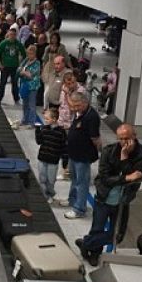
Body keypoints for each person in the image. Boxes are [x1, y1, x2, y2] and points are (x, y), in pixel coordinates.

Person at [76, 124, 142, 266]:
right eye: (121, 139)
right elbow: (105, 177)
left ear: (134, 136)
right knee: (97, 228)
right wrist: (125, 178)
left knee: (117, 236)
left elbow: (134, 177)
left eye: (127, 138)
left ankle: (86, 243)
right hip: (104, 197)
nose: (124, 142)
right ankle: (94, 252)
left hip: (123, 200)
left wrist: (124, 159)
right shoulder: (108, 151)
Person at [63, 91, 101, 220]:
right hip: (74, 153)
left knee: (82, 182)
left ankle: (79, 209)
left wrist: (99, 152)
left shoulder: (92, 117)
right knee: (74, 179)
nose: (74, 108)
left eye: (77, 105)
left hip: (83, 155)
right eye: (73, 106)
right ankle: (72, 200)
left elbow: (95, 138)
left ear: (85, 102)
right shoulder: (79, 113)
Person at [56, 70, 85, 180]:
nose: (70, 85)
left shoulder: (80, 91)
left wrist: (68, 94)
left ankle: (69, 172)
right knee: (62, 148)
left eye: (72, 82)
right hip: (62, 122)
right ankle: (65, 169)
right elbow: (61, 104)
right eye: (67, 84)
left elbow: (73, 107)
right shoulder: (64, 89)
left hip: (72, 125)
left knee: (70, 149)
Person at [35, 109, 67, 205]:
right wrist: (37, 130)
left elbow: (64, 147)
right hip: (42, 158)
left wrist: (65, 160)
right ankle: (46, 196)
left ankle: (51, 194)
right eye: (44, 118)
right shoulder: (44, 128)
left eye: (47, 118)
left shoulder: (61, 132)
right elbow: (39, 141)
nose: (45, 120)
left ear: (54, 119)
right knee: (42, 179)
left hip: (53, 160)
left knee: (51, 180)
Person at [0, 29, 26, 103]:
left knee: (14, 83)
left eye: (14, 35)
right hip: (5, 66)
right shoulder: (4, 43)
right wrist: (0, 65)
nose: (12, 36)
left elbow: (24, 54)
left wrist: (20, 63)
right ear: (8, 34)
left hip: (14, 66)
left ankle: (16, 98)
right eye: (11, 34)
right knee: (3, 83)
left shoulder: (18, 43)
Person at [16, 44, 41, 129]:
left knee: (31, 105)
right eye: (28, 53)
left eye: (31, 54)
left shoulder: (37, 63)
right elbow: (18, 69)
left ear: (35, 54)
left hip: (32, 87)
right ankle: (25, 120)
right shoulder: (26, 60)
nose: (29, 55)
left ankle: (32, 122)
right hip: (24, 86)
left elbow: (31, 75)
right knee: (25, 104)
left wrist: (23, 72)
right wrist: (23, 72)